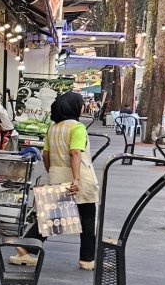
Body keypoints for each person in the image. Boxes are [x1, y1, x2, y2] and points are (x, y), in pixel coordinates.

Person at [13, 91, 100, 270]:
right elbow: (75, 152)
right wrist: (76, 179)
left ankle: (27, 246)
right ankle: (87, 259)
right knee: (88, 217)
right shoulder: (77, 127)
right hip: (79, 176)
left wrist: (52, 170)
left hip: (57, 173)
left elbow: (46, 155)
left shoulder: (53, 128)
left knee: (51, 215)